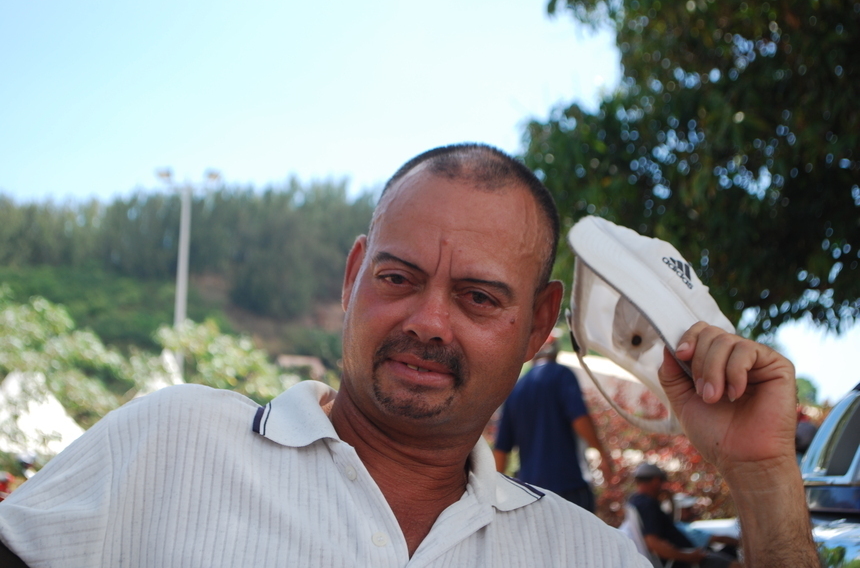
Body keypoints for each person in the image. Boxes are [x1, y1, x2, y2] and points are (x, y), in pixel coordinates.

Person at [0, 143, 818, 567]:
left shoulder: (587, 553)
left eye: (478, 296)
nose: (429, 321)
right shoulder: (172, 443)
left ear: (539, 325)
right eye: (399, 277)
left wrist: (764, 478)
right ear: (354, 276)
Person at [493, 328, 612, 512]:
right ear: (555, 351)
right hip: (567, 486)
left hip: (530, 494)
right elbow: (579, 418)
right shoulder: (562, 375)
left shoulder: (517, 389)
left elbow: (501, 449)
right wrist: (601, 453)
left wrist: (494, 494)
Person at [628, 464, 740, 568]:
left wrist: (670, 499)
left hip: (685, 558)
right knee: (736, 566)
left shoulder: (636, 501)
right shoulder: (647, 504)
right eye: (662, 481)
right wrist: (688, 556)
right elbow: (653, 542)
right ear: (656, 480)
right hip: (685, 561)